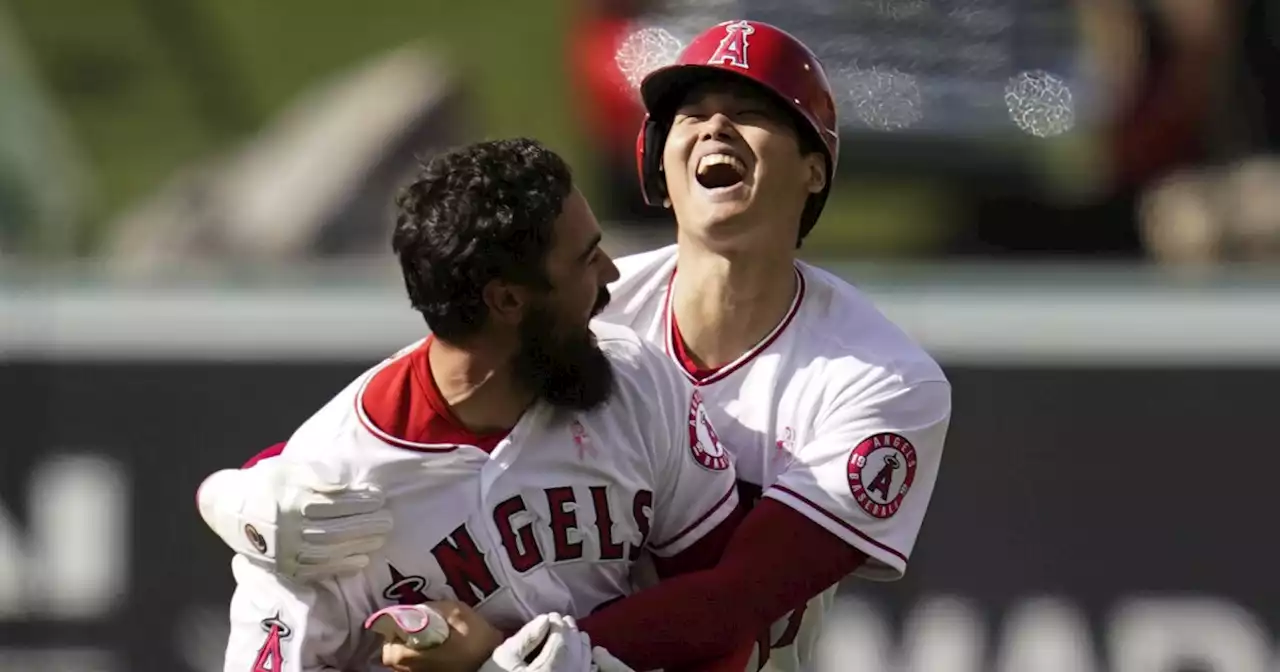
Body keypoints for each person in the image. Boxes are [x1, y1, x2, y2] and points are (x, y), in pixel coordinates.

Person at [199, 20, 952, 672]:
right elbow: (430, 400)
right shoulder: (586, 305)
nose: (716, 128)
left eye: (752, 113)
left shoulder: (880, 380)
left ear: (815, 167)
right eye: (691, 113)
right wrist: (240, 492)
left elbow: (740, 595)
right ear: (658, 158)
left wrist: (535, 656)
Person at [211, 137, 747, 672]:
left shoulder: (638, 379)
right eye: (586, 259)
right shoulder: (324, 496)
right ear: (508, 300)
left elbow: (731, 617)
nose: (609, 274)